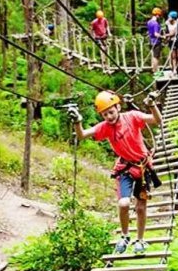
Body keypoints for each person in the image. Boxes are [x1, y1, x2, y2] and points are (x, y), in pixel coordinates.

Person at [65, 90, 163, 255]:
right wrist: (77, 121)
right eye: (104, 114)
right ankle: (125, 236)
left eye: (111, 112)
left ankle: (140, 240)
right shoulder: (106, 128)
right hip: (125, 169)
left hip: (143, 168)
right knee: (123, 203)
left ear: (118, 107)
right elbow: (82, 135)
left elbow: (156, 120)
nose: (109, 117)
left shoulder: (132, 117)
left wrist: (152, 105)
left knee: (141, 207)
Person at [165, 10, 178, 75]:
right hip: (171, 40)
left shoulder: (177, 24)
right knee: (173, 56)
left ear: (173, 18)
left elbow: (173, 33)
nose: (168, 17)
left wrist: (163, 36)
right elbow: (167, 31)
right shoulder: (167, 23)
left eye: (170, 17)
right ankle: (174, 70)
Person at [145, 7, 163, 72]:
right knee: (156, 57)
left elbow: (149, 31)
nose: (159, 17)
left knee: (153, 56)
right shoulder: (155, 23)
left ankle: (153, 70)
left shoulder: (149, 22)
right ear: (157, 15)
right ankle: (156, 71)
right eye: (159, 15)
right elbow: (156, 34)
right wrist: (162, 36)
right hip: (156, 41)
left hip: (150, 41)